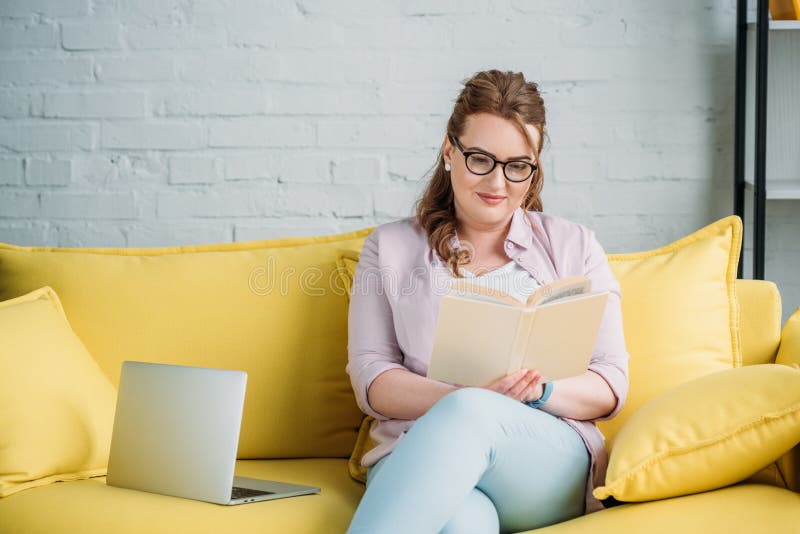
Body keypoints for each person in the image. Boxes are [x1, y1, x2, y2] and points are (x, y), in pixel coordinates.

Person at [345, 69, 629, 534]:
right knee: (462, 523)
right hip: (416, 453)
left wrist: (539, 393)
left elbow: (612, 382)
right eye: (480, 159)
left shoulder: (576, 246)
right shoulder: (390, 248)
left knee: (470, 412)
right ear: (448, 151)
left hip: (543, 460)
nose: (498, 183)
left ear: (534, 168)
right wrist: (467, 397)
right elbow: (373, 379)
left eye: (518, 166)